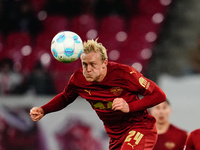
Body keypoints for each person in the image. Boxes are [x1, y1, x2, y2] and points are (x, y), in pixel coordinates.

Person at [30, 39, 166, 150]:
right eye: (84, 64)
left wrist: (129, 106)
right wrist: (44, 110)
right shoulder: (78, 80)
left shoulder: (124, 74)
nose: (88, 69)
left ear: (104, 64)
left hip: (140, 128)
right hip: (116, 137)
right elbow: (65, 97)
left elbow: (158, 95)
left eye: (93, 64)